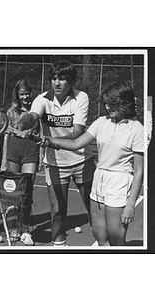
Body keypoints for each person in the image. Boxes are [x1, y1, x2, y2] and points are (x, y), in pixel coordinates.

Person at [43, 81, 144, 246]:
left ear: (124, 103)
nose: (107, 107)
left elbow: (139, 170)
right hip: (99, 179)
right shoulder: (101, 122)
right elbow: (76, 143)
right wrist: (50, 141)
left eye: (111, 104)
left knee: (116, 237)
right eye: (106, 103)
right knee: (99, 235)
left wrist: (130, 204)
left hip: (118, 182)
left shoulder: (137, 129)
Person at [16, 60, 95, 246]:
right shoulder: (42, 99)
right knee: (58, 211)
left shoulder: (81, 97)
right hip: (55, 164)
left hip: (82, 161)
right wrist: (22, 123)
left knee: (93, 209)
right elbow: (33, 117)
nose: (56, 83)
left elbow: (77, 132)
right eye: (53, 78)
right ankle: (60, 247)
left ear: (72, 81)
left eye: (62, 79)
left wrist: (52, 141)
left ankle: (102, 244)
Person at [0, 79, 40, 246]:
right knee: (13, 191)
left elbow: (42, 134)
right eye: (21, 94)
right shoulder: (11, 111)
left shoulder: (37, 110)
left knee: (27, 190)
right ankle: (13, 229)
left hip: (31, 150)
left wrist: (42, 155)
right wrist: (4, 159)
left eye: (27, 93)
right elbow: (6, 136)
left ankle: (26, 230)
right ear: (17, 95)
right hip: (14, 151)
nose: (25, 97)